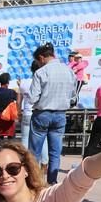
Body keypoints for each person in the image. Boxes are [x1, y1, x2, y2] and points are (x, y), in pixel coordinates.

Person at [28, 42, 77, 185]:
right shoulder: (69, 71)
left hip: (42, 114)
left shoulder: (40, 72)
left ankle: (34, 182)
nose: (38, 63)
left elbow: (32, 98)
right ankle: (52, 182)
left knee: (34, 153)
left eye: (38, 61)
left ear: (42, 57)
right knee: (55, 153)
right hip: (60, 114)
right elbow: (73, 97)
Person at [17, 61, 49, 175]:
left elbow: (19, 101)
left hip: (26, 113)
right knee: (43, 139)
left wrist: (18, 113)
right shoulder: (43, 81)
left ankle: (25, 164)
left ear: (31, 69)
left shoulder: (23, 83)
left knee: (25, 139)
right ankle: (44, 164)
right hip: (39, 113)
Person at [0, 72, 17, 141]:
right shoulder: (11, 92)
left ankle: (0, 150)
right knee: (11, 136)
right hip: (9, 117)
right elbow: (17, 101)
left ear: (0, 81)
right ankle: (10, 151)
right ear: (8, 82)